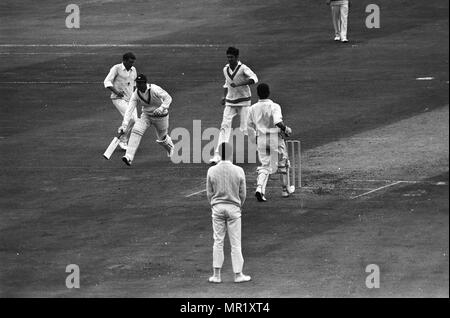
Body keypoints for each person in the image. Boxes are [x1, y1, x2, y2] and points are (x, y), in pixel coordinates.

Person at [206, 142, 251, 283]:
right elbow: (243, 193)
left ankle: (216, 275)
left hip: (217, 207)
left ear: (219, 154)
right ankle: (238, 275)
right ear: (231, 154)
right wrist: (239, 205)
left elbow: (209, 193)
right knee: (235, 242)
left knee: (218, 241)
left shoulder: (212, 171)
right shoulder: (239, 170)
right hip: (234, 208)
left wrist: (214, 204)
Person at [209, 47, 258, 164]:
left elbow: (254, 79)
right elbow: (227, 84)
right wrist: (223, 96)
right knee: (224, 127)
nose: (229, 59)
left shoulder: (243, 68)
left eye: (231, 57)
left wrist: (239, 83)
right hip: (230, 102)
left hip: (244, 101)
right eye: (228, 57)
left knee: (246, 129)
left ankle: (261, 145)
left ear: (237, 57)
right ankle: (217, 156)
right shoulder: (225, 69)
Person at [247, 83, 293, 202]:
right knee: (283, 162)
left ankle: (259, 189)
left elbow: (249, 126)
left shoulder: (252, 108)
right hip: (275, 138)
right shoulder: (274, 106)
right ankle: (285, 190)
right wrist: (286, 129)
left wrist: (255, 140)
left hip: (261, 139)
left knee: (265, 166)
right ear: (268, 93)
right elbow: (278, 121)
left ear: (258, 94)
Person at [119, 74, 174, 166]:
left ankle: (170, 147)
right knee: (136, 130)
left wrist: (161, 108)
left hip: (161, 116)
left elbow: (168, 98)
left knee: (162, 138)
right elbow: (129, 110)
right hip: (146, 116)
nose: (138, 85)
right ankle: (128, 157)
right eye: (137, 83)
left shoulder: (155, 89)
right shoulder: (136, 94)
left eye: (140, 83)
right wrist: (124, 125)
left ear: (145, 83)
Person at [104, 52, 138, 150]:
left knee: (135, 120)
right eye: (130, 62)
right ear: (124, 60)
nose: (132, 64)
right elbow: (107, 81)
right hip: (118, 99)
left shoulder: (133, 69)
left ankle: (123, 135)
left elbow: (134, 83)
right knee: (130, 118)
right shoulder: (116, 68)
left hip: (131, 99)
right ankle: (123, 140)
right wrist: (116, 91)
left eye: (133, 62)